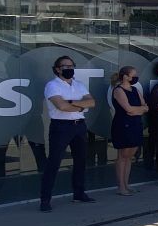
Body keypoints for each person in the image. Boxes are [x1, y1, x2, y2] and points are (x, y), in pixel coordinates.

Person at [40, 56, 97, 212]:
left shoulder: (79, 84)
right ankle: (45, 200)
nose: (69, 68)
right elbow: (61, 106)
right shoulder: (52, 85)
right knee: (54, 162)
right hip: (61, 127)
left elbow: (92, 102)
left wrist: (72, 103)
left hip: (79, 125)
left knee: (80, 161)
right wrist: (80, 106)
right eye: (65, 66)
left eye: (71, 65)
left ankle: (79, 193)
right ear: (57, 69)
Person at [110, 65, 147, 196]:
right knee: (123, 155)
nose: (135, 78)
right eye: (133, 75)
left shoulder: (135, 90)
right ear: (125, 76)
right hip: (123, 124)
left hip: (135, 123)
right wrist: (137, 110)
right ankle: (121, 186)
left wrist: (137, 110)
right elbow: (128, 109)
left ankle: (126, 184)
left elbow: (145, 107)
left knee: (130, 155)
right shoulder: (118, 90)